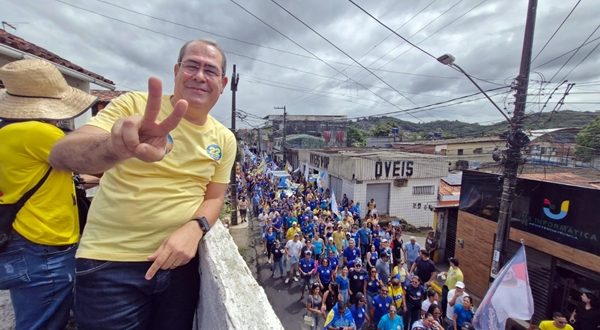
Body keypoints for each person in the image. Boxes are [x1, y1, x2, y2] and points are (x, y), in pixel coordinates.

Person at [49, 39, 236, 329]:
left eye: (210, 70)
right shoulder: (135, 106)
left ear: (223, 83)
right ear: (177, 70)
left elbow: (214, 198)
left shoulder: (225, 139)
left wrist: (195, 227)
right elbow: (62, 155)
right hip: (109, 265)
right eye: (192, 65)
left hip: (178, 269)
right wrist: (116, 147)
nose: (200, 76)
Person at [0, 59, 97, 329]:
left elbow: (45, 178)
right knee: (43, 322)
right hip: (42, 246)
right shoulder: (38, 132)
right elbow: (91, 160)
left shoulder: (6, 131)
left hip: (17, 239)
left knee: (30, 314)